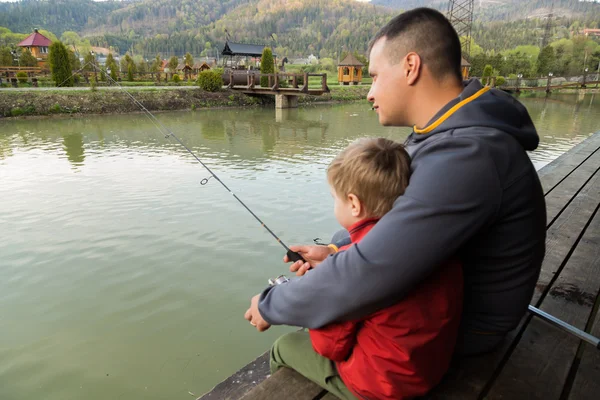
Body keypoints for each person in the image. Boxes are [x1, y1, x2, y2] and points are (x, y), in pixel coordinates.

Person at [245, 7, 546, 357]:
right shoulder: (443, 135)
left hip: (462, 328)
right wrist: (333, 251)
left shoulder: (470, 156)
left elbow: (369, 272)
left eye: (374, 76)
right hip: (441, 309)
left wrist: (270, 304)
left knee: (290, 349)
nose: (370, 93)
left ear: (410, 66)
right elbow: (395, 222)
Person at [269, 137, 464, 400]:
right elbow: (373, 252)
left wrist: (319, 298)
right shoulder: (427, 240)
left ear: (353, 203)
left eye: (334, 198)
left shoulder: (358, 277)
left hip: (386, 385)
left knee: (284, 346)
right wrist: (334, 259)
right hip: (428, 366)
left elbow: (329, 346)